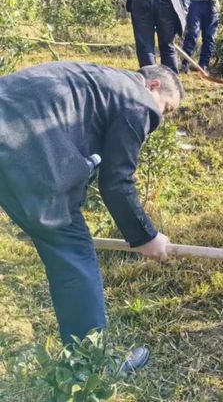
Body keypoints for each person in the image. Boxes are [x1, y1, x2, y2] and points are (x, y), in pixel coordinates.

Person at [0, 61, 182, 368]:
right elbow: (116, 182)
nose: (160, 119)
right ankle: (90, 365)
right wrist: (145, 236)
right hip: (26, 146)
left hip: (12, 126)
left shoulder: (102, 81)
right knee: (73, 253)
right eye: (167, 108)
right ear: (152, 86)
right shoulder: (138, 101)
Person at [104, 0, 193, 74]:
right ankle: (171, 85)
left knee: (145, 45)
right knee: (167, 47)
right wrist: (172, 31)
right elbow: (184, 7)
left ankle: (150, 82)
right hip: (167, 2)